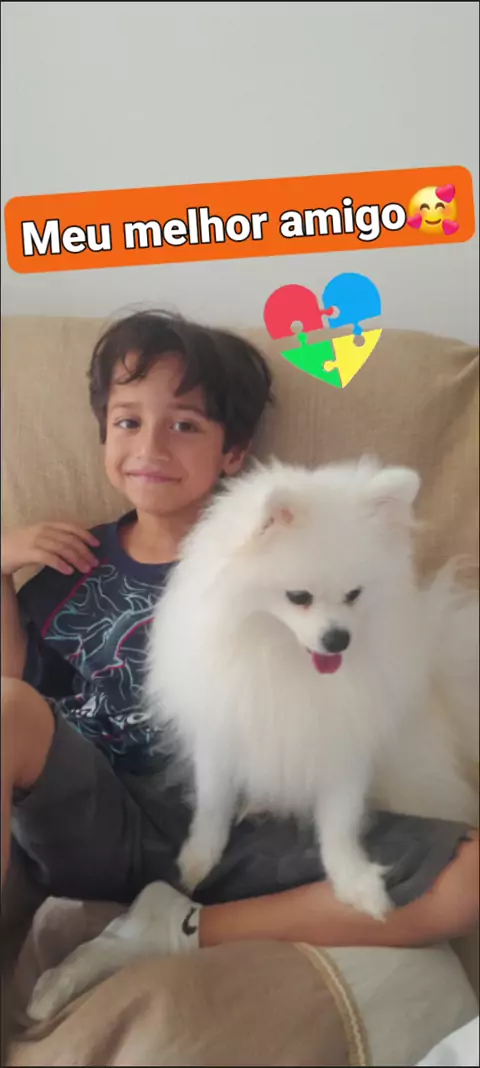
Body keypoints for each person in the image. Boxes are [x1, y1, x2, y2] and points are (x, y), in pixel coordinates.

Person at [2, 311, 478, 967]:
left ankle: (178, 929)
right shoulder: (71, 559)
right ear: (103, 433)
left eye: (184, 425)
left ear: (234, 452)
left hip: (245, 828)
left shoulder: (304, 558)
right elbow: (17, 692)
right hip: (93, 811)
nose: (151, 446)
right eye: (128, 421)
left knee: (468, 876)